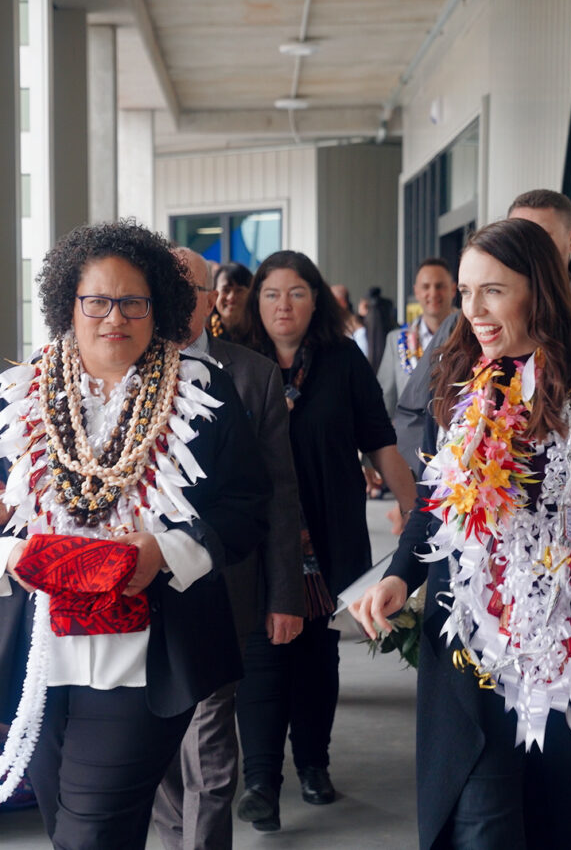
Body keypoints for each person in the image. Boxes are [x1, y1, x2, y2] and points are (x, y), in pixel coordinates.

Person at [351, 219, 571, 849]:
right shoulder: (455, 383)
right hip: (475, 665)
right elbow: (434, 504)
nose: (470, 309)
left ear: (540, 291)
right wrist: (399, 575)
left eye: (492, 291)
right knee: (482, 829)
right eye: (465, 291)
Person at [0, 221, 270, 849]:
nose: (113, 317)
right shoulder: (18, 398)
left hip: (144, 660)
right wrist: (16, 552)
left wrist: (167, 550)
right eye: (96, 300)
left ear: (159, 310)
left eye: (133, 302)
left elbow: (248, 507)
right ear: (69, 304)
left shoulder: (203, 394)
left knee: (92, 833)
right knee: (64, 825)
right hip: (36, 660)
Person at [234, 250, 416, 832]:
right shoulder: (237, 366)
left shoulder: (344, 363)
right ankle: (261, 781)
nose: (282, 305)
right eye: (270, 294)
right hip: (262, 539)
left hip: (331, 534)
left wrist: (418, 518)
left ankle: (314, 765)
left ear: (318, 301)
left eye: (295, 293)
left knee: (316, 654)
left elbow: (382, 443)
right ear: (254, 302)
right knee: (261, 655)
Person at [153, 248, 305, 850]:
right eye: (167, 285)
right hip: (146, 590)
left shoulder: (251, 374)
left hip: (225, 586)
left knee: (211, 745)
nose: (179, 297)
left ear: (213, 297)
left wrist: (286, 593)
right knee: (159, 745)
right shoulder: (127, 366)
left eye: (192, 287)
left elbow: (279, 494)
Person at [393, 189, 571, 475]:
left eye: (541, 238)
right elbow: (414, 414)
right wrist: (448, 477)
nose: (526, 250)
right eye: (516, 237)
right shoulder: (463, 332)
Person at [378, 258, 456, 418]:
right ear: (416, 291)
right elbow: (386, 399)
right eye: (426, 287)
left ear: (453, 289)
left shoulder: (472, 335)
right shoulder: (396, 341)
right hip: (412, 438)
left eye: (440, 286)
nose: (433, 293)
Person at [209, 261, 253, 340]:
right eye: (226, 290)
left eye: (239, 290)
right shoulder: (204, 333)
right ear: (214, 295)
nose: (231, 297)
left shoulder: (261, 334)